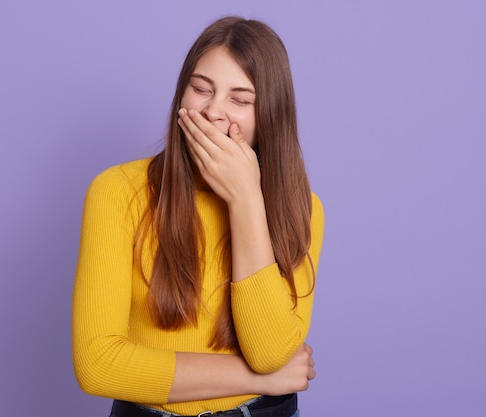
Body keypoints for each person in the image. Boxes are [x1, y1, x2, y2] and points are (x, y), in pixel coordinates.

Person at [72, 16, 325, 417]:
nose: (212, 112)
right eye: (201, 89)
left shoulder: (301, 207)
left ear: (268, 117)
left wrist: (245, 199)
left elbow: (271, 351)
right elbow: (98, 364)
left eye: (240, 100)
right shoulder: (117, 192)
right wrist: (257, 379)